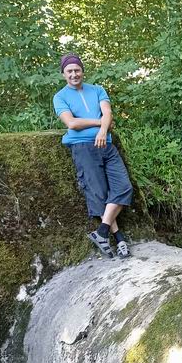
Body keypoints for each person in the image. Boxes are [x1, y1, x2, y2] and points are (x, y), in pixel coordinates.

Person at [52, 53, 133, 258]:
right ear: (63, 74)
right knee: (99, 195)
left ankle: (102, 233)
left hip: (106, 145)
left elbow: (108, 112)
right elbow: (72, 123)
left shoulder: (97, 90)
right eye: (69, 71)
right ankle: (120, 238)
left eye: (77, 70)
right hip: (83, 148)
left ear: (82, 71)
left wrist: (104, 131)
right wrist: (100, 123)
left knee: (123, 187)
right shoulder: (60, 97)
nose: (74, 74)